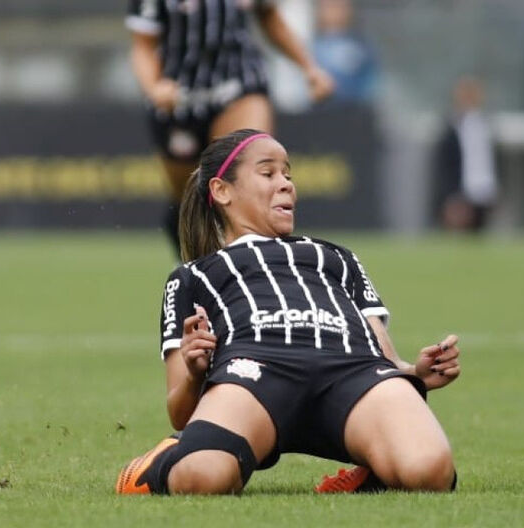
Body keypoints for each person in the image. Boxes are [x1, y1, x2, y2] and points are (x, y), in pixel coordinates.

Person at [115, 129, 461, 496]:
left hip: (351, 373)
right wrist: (195, 374)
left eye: (288, 175)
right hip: (252, 375)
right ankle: (161, 464)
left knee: (430, 473)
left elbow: (383, 353)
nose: (286, 185)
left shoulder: (336, 257)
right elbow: (179, 411)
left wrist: (416, 373)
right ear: (222, 191)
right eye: (268, 174)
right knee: (203, 478)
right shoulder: (193, 275)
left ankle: (373, 468)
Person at [126, 0, 335, 255]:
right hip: (179, 99)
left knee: (251, 166)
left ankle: (258, 265)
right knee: (191, 196)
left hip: (238, 86)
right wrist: (153, 87)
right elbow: (143, 44)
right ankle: (193, 263)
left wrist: (309, 67)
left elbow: (269, 17)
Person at [433, 76, 498, 231]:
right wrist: (450, 196)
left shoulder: (486, 125)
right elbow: (444, 166)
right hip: (459, 194)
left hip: (483, 191)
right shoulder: (450, 128)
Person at [312, 0, 379, 104]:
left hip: (352, 110)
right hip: (318, 110)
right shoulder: (309, 45)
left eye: (340, 6)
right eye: (330, 6)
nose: (335, 12)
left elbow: (371, 82)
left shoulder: (361, 45)